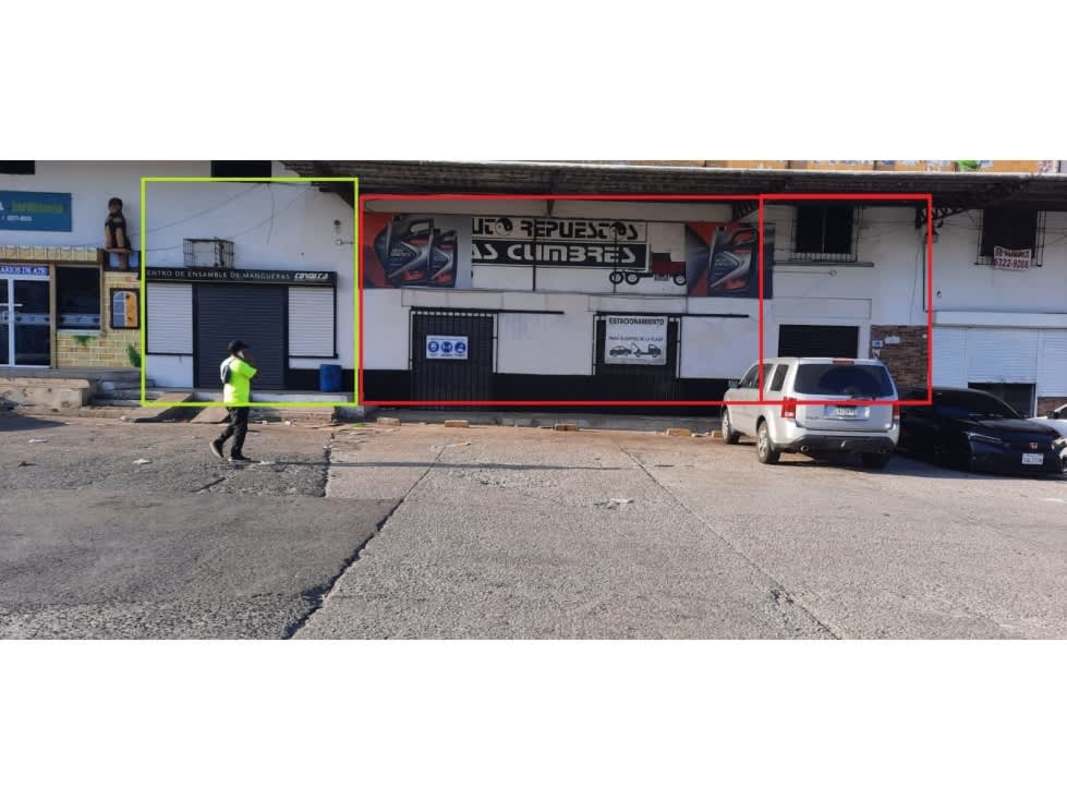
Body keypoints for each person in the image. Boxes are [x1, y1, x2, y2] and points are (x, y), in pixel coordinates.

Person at [210, 340, 257, 463]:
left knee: (236, 424)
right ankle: (235, 454)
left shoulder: (225, 362)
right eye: (244, 350)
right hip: (239, 399)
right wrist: (249, 361)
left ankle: (219, 442)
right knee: (241, 427)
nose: (246, 352)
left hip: (229, 398)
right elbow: (255, 374)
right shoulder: (239, 364)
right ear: (239, 351)